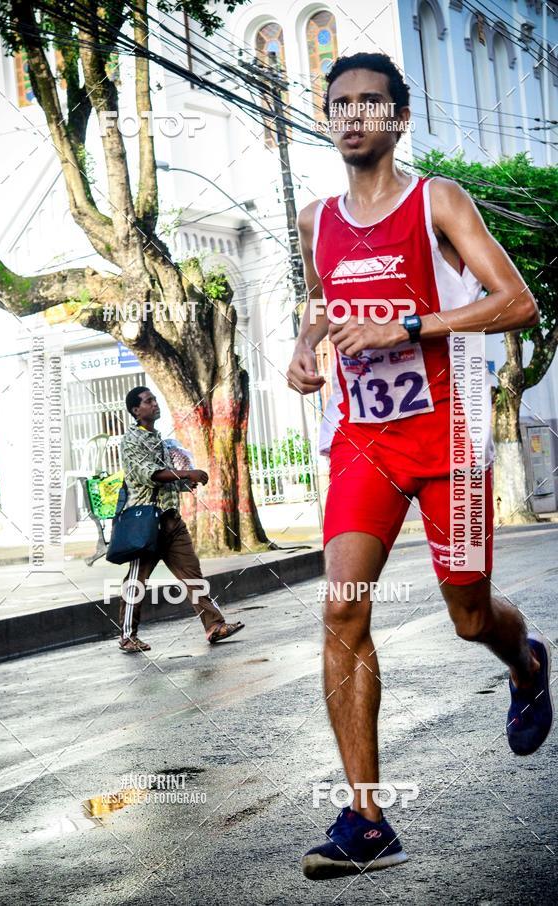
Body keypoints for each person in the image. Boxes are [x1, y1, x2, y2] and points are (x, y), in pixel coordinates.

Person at [286, 52, 552, 878]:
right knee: (342, 609)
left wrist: (405, 327)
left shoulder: (438, 200)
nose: (354, 115)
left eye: (372, 102)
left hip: (449, 436)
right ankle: (368, 822)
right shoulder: (315, 219)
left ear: (398, 119)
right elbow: (320, 298)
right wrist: (304, 344)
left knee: (469, 617)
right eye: (340, 104)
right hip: (364, 440)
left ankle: (527, 663)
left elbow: (517, 301)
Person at [117, 386, 244, 653]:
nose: (155, 404)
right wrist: (186, 474)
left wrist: (185, 482)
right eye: (148, 401)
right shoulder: (131, 441)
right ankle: (128, 636)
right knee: (137, 580)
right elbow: (150, 474)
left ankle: (214, 625)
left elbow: (167, 479)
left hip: (171, 521)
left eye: (154, 399)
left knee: (193, 575)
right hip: (145, 525)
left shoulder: (159, 439)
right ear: (136, 410)